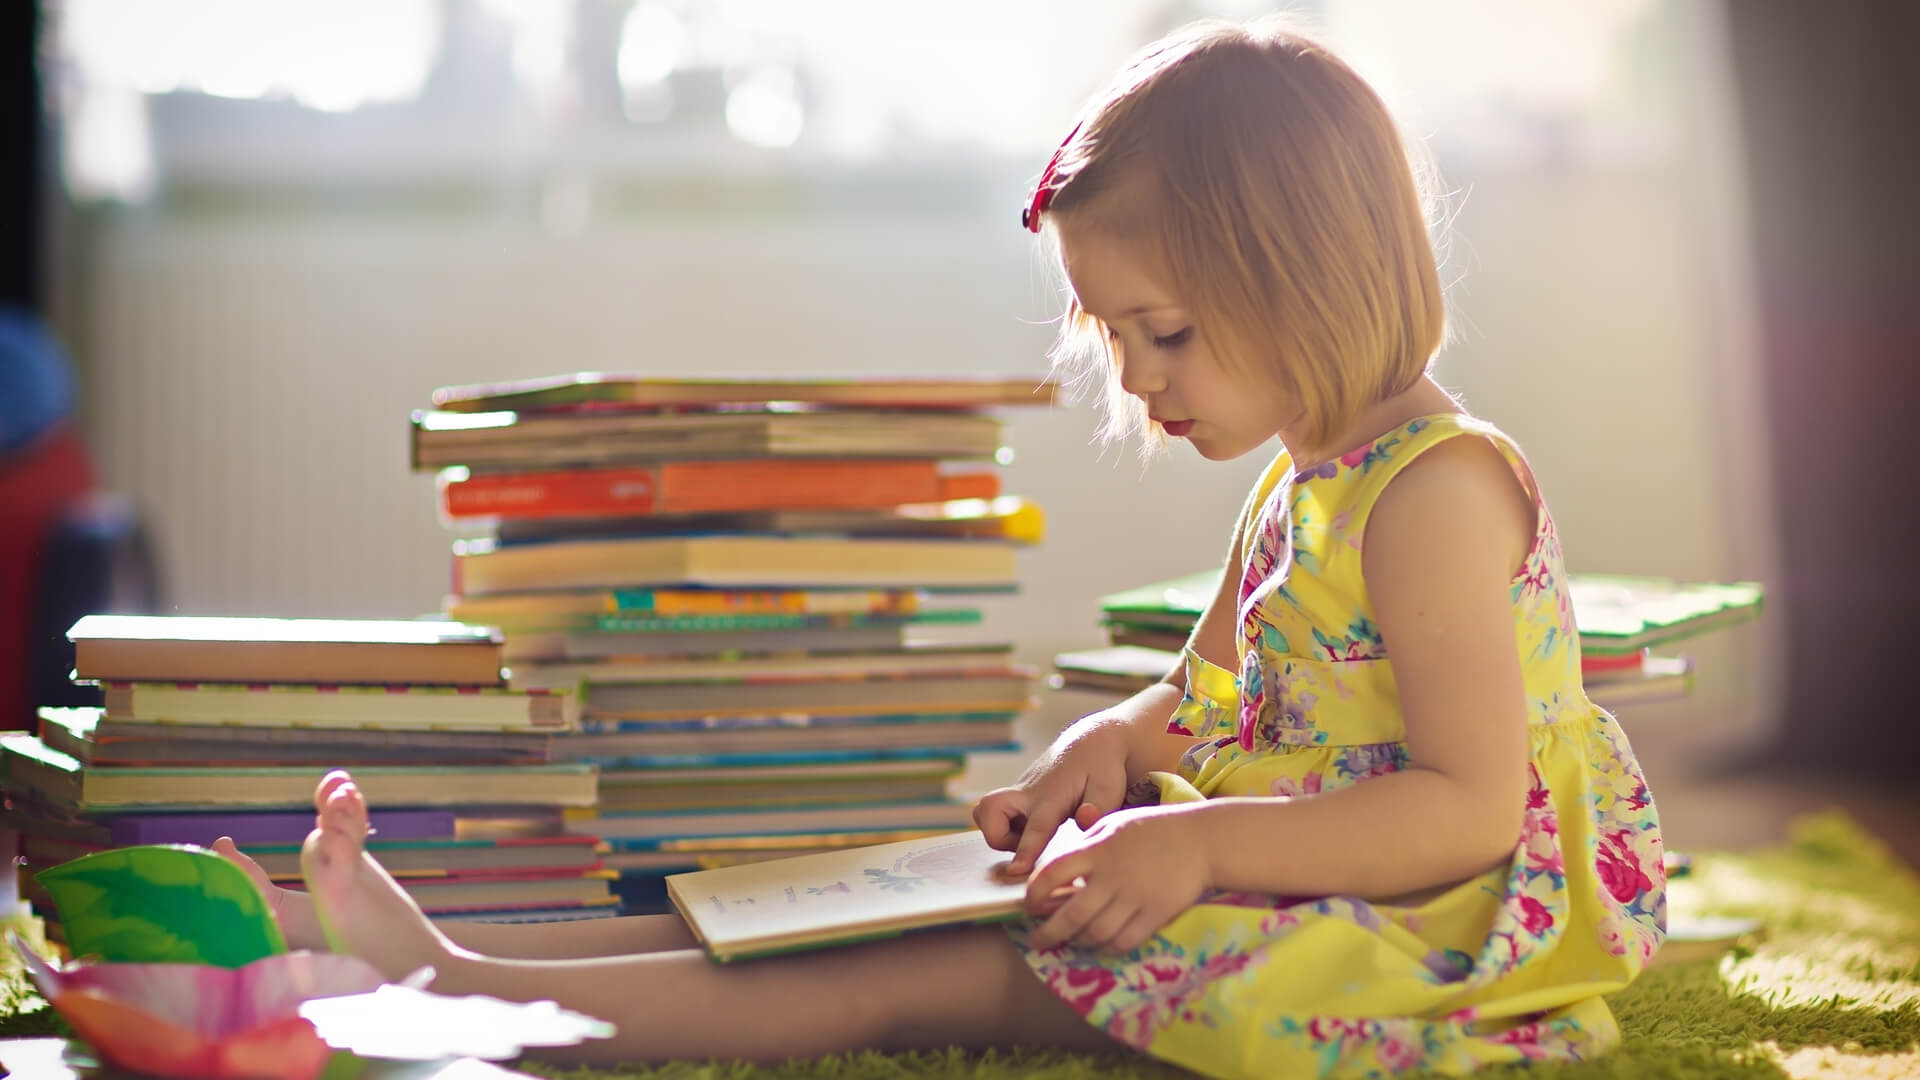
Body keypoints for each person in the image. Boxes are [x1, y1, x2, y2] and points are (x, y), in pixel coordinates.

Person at [218, 16, 1665, 1077]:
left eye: (1164, 333)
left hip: (1426, 927)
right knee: (858, 902)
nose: (1140, 383)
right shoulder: (1306, 486)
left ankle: (477, 1001)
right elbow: (1207, 699)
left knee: (935, 967)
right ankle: (472, 959)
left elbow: (1471, 808)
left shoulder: (1436, 494)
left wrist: (1201, 838)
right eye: (1115, 339)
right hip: (1297, 859)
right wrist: (1109, 745)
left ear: (1313, 276)